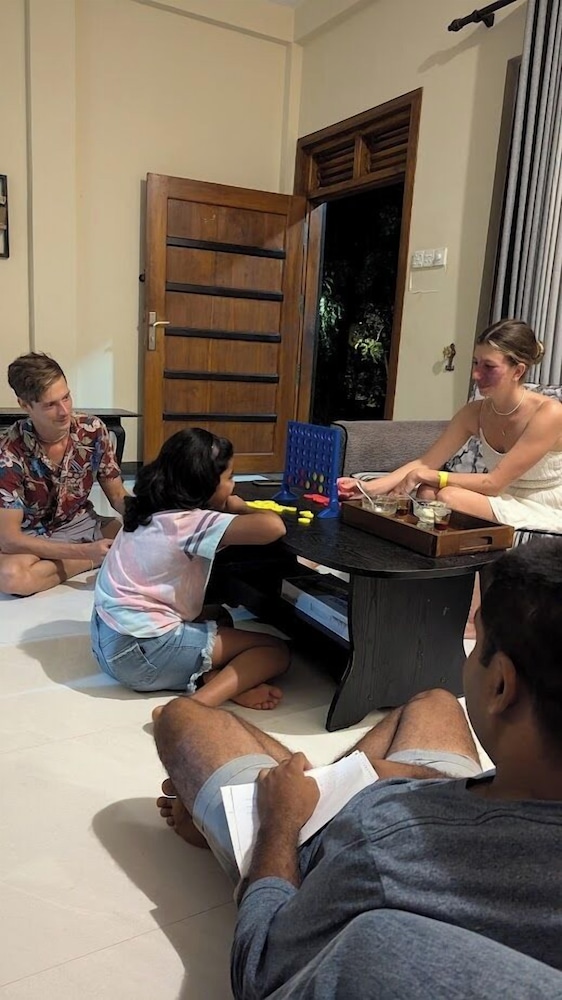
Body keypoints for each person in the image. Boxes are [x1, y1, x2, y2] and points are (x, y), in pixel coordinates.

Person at [152, 538, 562, 997]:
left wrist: (280, 821)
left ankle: (245, 817)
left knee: (180, 716)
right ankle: (290, 789)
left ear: (501, 685)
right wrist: (421, 780)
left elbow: (262, 969)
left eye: (477, 641)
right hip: (426, 801)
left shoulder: (383, 845)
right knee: (435, 701)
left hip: (328, 843)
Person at [91, 427, 290, 710]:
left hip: (106, 641)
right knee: (275, 650)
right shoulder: (191, 522)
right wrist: (241, 507)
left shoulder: (146, 509)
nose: (233, 486)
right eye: (229, 478)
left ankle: (212, 678)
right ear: (206, 483)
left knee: (218, 615)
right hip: (141, 655)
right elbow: (273, 527)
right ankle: (192, 707)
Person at [338, 319, 562, 532]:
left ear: (518, 371)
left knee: (448, 497)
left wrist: (424, 475)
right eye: (475, 363)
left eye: (489, 366)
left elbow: (493, 483)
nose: (476, 374)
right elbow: (426, 462)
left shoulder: (549, 413)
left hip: (543, 504)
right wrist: (367, 488)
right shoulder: (475, 412)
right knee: (428, 492)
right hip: (502, 496)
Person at [0, 352, 127, 596]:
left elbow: (118, 495)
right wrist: (86, 553)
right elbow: (9, 539)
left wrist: (149, 514)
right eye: (50, 405)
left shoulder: (92, 430)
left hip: (81, 523)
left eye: (66, 397)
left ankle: (67, 563)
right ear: (25, 405)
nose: (64, 411)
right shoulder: (8, 452)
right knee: (11, 577)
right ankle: (93, 559)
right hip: (32, 535)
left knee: (137, 536)